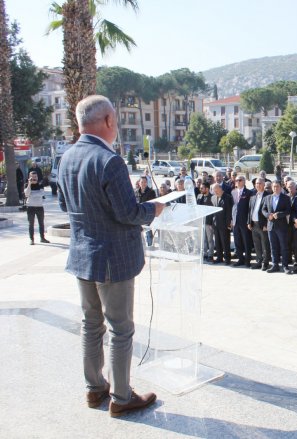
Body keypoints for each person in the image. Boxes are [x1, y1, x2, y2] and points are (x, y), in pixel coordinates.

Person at [57, 95, 164, 417]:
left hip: (82, 255)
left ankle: (94, 389)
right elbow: (128, 212)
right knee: (120, 329)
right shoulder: (109, 161)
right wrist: (154, 209)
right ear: (107, 120)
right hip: (112, 259)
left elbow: (64, 206)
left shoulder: (67, 157)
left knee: (91, 324)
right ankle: (121, 396)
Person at [262, 180, 292, 273]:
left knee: (284, 247)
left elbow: (288, 210)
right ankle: (275, 265)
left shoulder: (286, 198)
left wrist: (279, 214)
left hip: (282, 226)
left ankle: (285, 266)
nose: (276, 188)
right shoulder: (267, 198)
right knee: (273, 247)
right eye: (274, 186)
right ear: (272, 187)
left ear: (281, 187)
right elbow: (263, 209)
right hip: (271, 226)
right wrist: (268, 215)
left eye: (277, 186)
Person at [248, 177, 271, 271]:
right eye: (256, 183)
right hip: (254, 224)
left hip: (263, 225)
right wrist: (249, 222)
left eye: (260, 183)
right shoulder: (253, 196)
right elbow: (250, 211)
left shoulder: (268, 196)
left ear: (264, 184)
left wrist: (267, 224)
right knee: (256, 244)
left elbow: (269, 211)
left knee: (265, 245)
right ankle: (259, 261)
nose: (258, 185)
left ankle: (265, 263)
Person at [231, 175, 253, 267]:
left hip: (244, 221)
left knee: (246, 241)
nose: (237, 182)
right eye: (236, 180)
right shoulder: (233, 192)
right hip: (235, 221)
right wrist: (231, 219)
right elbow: (233, 206)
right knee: (237, 241)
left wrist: (249, 221)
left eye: (239, 180)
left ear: (244, 181)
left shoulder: (249, 193)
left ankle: (247, 260)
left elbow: (250, 208)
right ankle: (240, 259)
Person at [24, 170, 49, 245]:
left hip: (39, 207)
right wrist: (29, 184)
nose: (34, 178)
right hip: (30, 207)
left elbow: (42, 194)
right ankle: (31, 239)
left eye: (35, 177)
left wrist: (32, 194)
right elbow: (27, 194)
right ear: (29, 177)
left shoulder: (40, 184)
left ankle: (42, 238)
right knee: (31, 224)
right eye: (32, 177)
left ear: (37, 177)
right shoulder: (26, 185)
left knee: (41, 223)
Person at [211, 182, 233, 265]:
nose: (215, 192)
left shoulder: (228, 197)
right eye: (214, 191)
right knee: (217, 242)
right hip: (215, 224)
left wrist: (229, 223)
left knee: (225, 242)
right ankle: (219, 257)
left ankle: (227, 258)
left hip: (224, 224)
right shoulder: (213, 197)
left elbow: (229, 212)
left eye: (216, 190)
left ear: (220, 189)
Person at [197, 181, 214, 261]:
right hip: (201, 221)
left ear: (207, 189)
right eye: (200, 188)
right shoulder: (199, 196)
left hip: (209, 222)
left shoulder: (212, 197)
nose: (200, 189)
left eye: (202, 188)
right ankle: (205, 253)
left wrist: (212, 222)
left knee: (210, 239)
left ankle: (210, 254)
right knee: (203, 239)